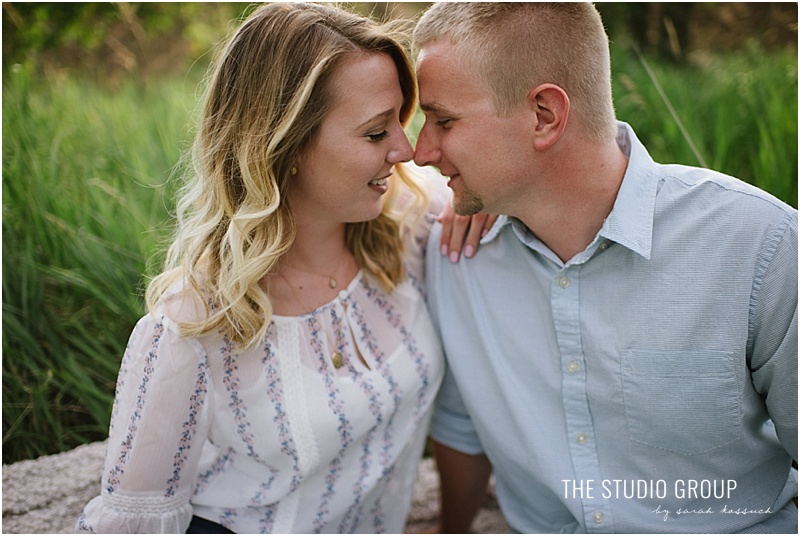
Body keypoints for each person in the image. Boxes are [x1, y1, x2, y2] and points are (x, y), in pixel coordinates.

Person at [75, 2, 489, 533]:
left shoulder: (406, 226)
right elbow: (132, 521)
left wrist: (478, 196)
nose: (405, 151)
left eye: (399, 122)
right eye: (374, 133)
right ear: (285, 144)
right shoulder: (189, 329)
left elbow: (514, 177)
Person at [413, 2, 797, 534]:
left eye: (444, 121)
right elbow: (461, 426)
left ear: (544, 116)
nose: (420, 150)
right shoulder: (457, 252)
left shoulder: (762, 247)